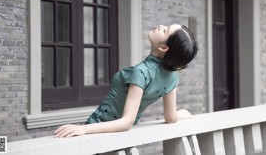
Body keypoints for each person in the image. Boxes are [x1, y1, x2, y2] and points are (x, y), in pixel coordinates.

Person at [54, 24, 198, 138]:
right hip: (117, 135)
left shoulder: (141, 72)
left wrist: (83, 129)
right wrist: (182, 113)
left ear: (163, 47)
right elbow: (171, 117)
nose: (160, 26)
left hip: (99, 128)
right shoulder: (172, 76)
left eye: (165, 30)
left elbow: (126, 122)